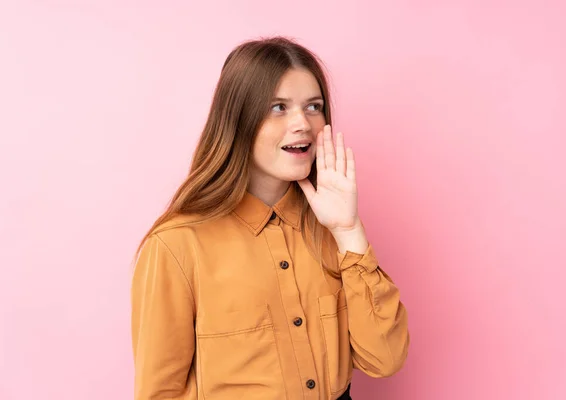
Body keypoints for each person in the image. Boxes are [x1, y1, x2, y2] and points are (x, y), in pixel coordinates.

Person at [130, 36, 410, 400]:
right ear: (238, 119)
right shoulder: (176, 246)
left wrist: (349, 231)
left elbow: (385, 360)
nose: (303, 124)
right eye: (278, 107)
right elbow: (159, 392)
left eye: (314, 106)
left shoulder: (331, 228)